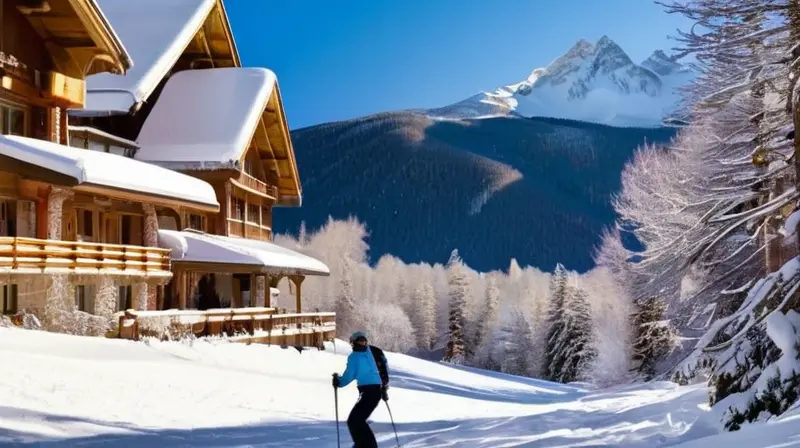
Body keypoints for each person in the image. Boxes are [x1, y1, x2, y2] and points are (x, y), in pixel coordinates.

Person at [332, 331, 390, 448]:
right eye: (361, 341)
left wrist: (338, 381)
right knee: (357, 420)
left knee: (354, 420)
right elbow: (382, 370)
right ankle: (363, 445)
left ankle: (365, 446)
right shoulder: (372, 352)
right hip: (375, 392)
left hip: (369, 393)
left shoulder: (354, 357)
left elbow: (348, 376)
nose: (362, 343)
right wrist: (384, 387)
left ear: (353, 343)